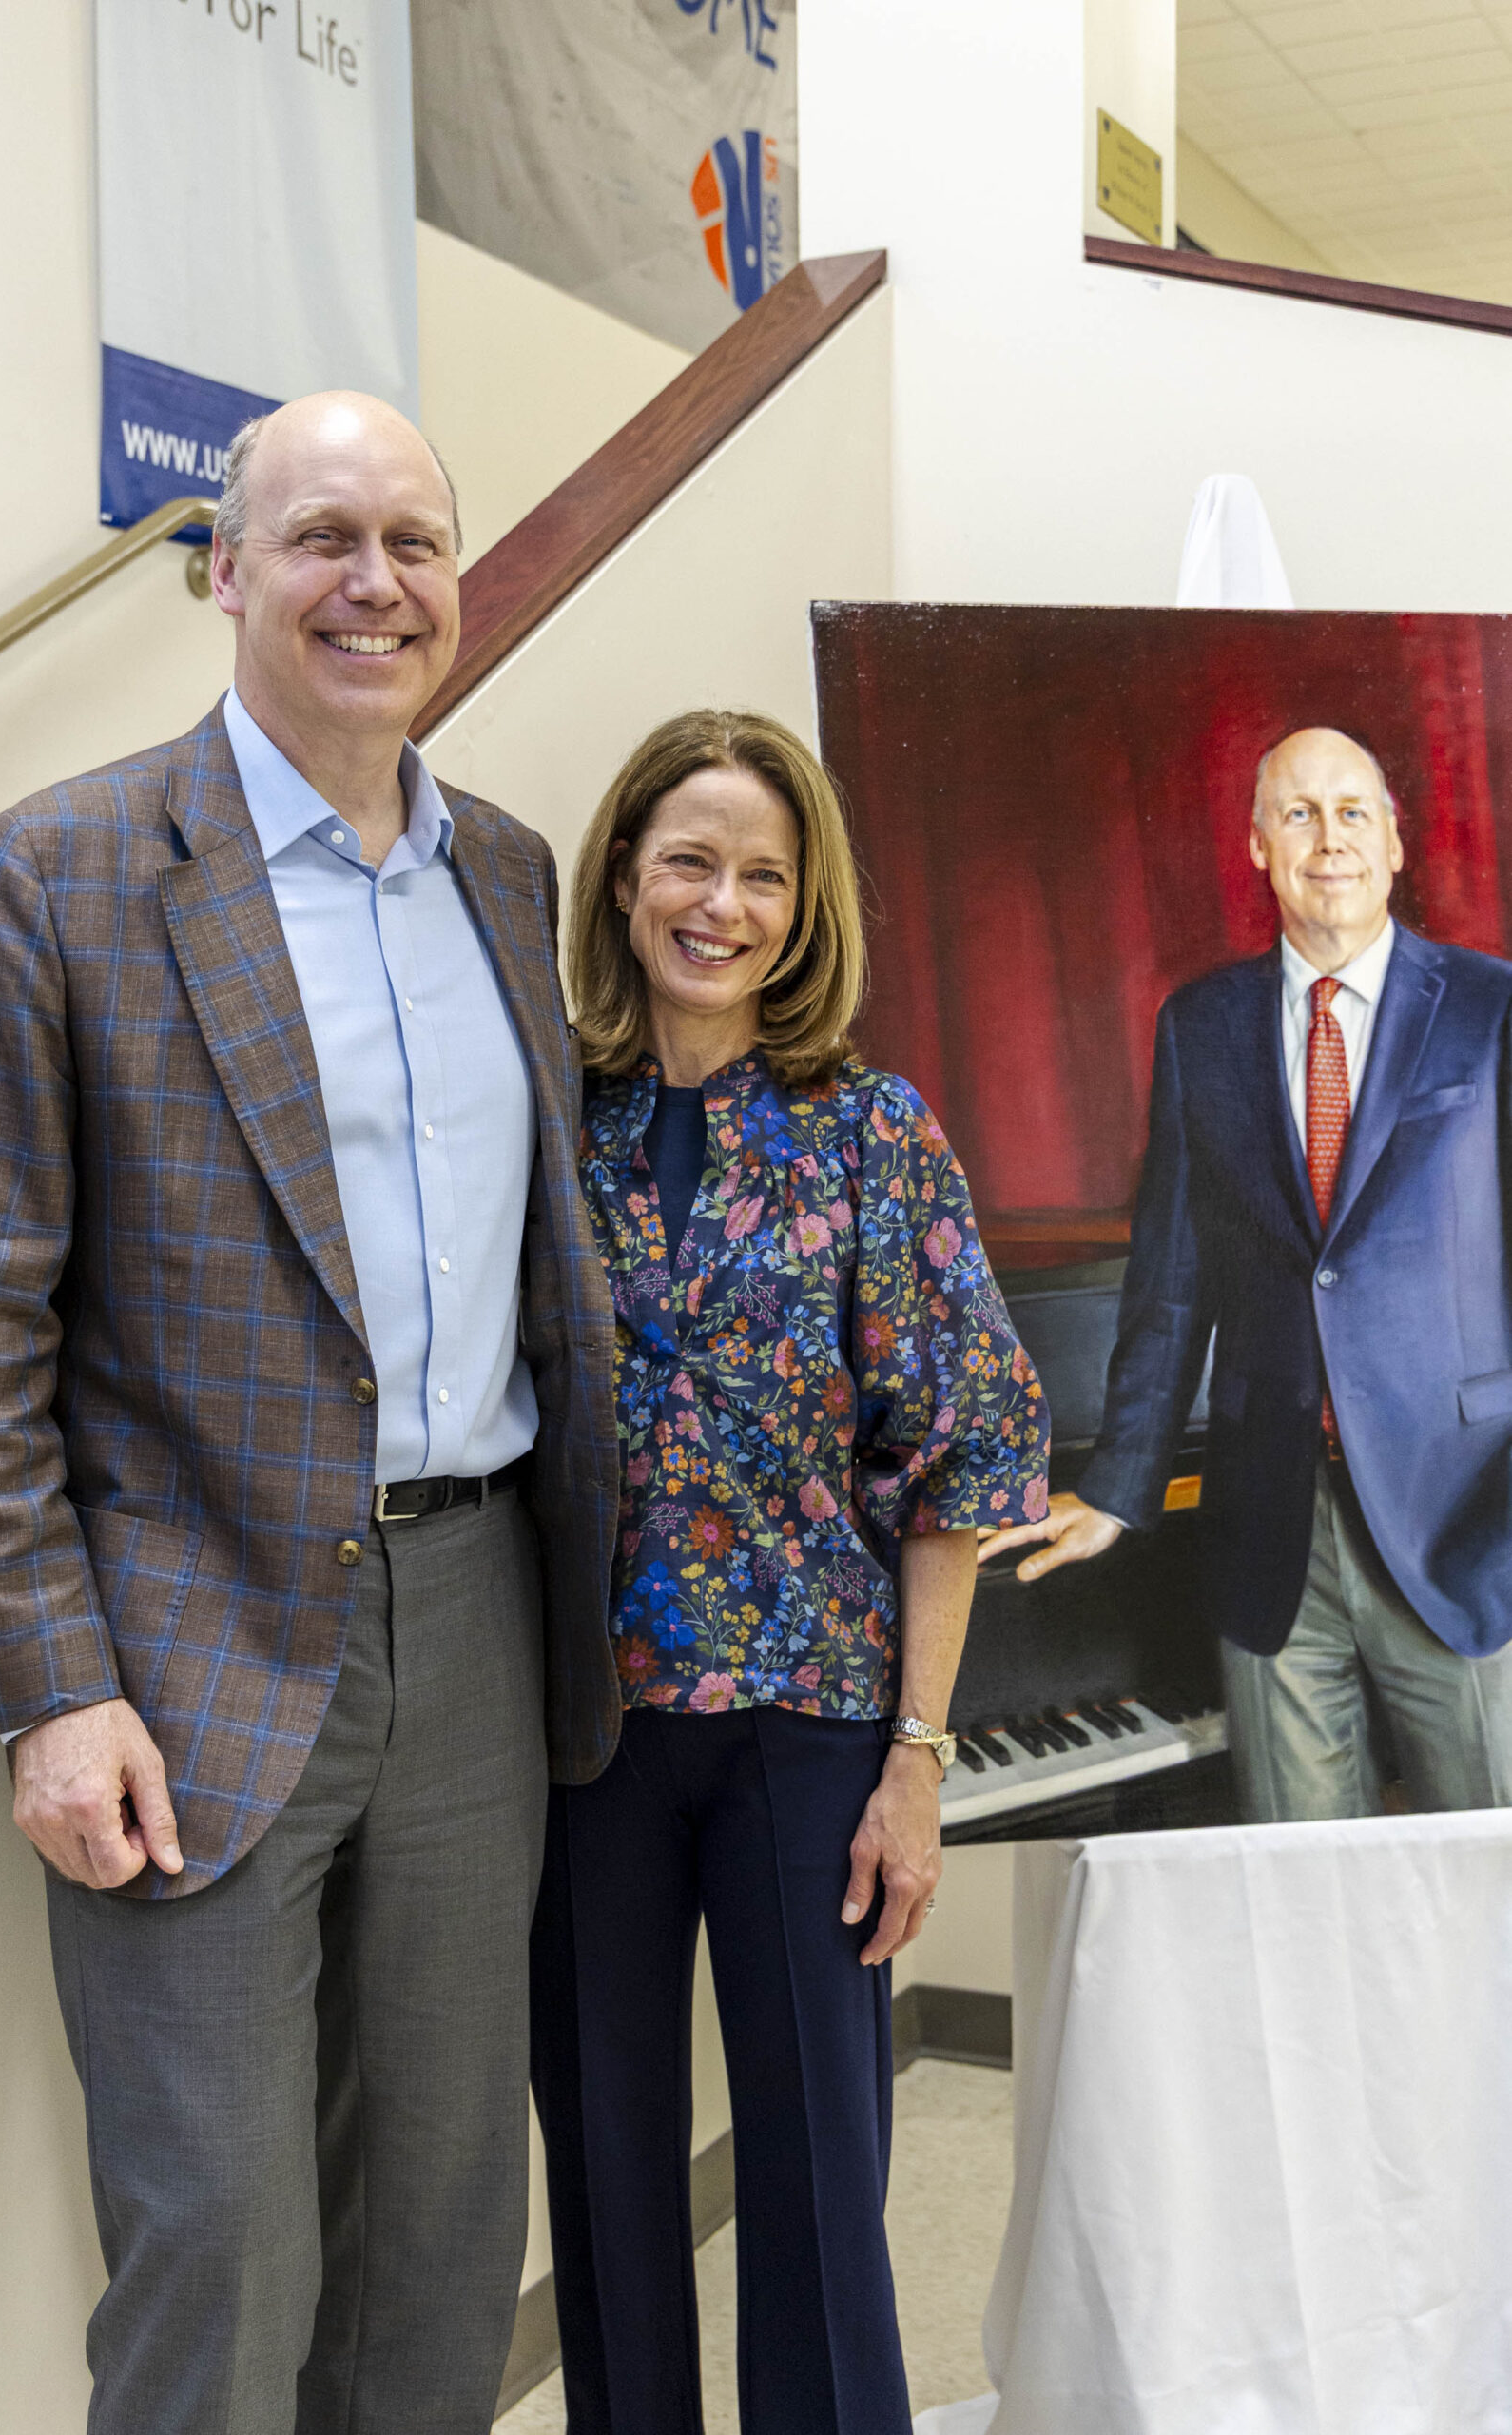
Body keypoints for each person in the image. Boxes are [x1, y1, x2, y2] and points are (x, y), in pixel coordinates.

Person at [0, 392, 619, 2434]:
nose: (374, 583)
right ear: (223, 572)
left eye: (413, 541)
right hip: (184, 1649)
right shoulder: (61, 873)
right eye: (319, 538)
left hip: (475, 1621)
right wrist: (51, 1687)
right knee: (220, 2239)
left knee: (443, 2229)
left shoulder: (506, 872)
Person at [530, 710, 1049, 2434]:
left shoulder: (870, 1132)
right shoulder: (543, 1119)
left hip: (811, 1734)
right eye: (689, 861)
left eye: (762, 875)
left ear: (802, 906)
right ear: (623, 876)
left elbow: (958, 1458)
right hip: (582, 1738)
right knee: (607, 2177)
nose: (721, 904)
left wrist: (917, 1763)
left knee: (821, 2187)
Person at [984, 725, 1512, 1820]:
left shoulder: (1491, 1007)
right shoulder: (1202, 1025)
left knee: (1488, 1888)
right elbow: (1170, 1286)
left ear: (1395, 843)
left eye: (1353, 812)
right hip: (1272, 1536)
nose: (1330, 839)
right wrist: (1118, 1489)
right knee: (1299, 1888)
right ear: (1260, 847)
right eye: (1299, 814)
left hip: (1464, 1530)